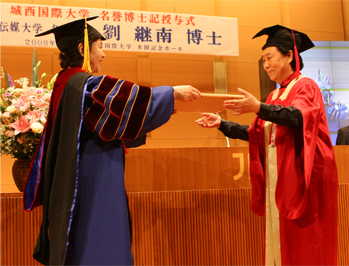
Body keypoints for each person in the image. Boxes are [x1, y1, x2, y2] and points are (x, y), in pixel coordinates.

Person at [23, 16, 201, 265]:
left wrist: (166, 104)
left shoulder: (65, 82)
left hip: (77, 176)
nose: (104, 54)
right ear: (83, 49)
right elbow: (129, 101)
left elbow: (108, 124)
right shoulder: (83, 85)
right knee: (99, 241)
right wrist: (171, 93)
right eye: (100, 47)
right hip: (93, 178)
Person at [196, 25, 338, 266]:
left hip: (305, 179)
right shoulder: (274, 96)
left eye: (269, 57)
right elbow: (257, 134)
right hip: (280, 181)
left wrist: (258, 108)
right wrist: (222, 124)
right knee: (280, 242)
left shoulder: (306, 86)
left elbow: (297, 117)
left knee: (306, 244)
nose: (266, 65)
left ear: (290, 55)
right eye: (263, 60)